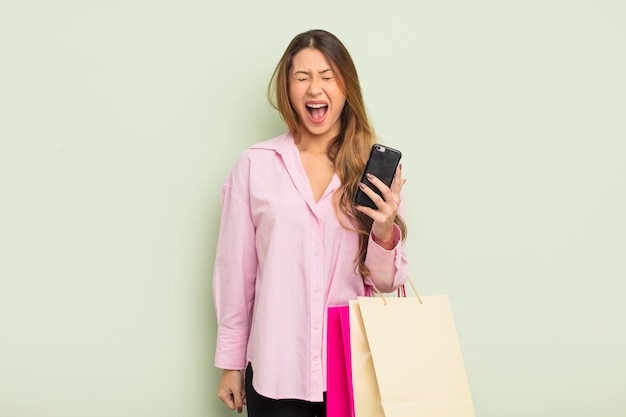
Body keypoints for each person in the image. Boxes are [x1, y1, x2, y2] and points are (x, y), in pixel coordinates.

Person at [213, 29, 408, 417]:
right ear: (287, 88)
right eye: (302, 77)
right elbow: (236, 274)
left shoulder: (371, 168)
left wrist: (384, 231)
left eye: (327, 76)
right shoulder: (256, 165)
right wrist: (231, 364)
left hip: (353, 368)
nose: (314, 88)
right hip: (276, 367)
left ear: (345, 87)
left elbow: (387, 283)